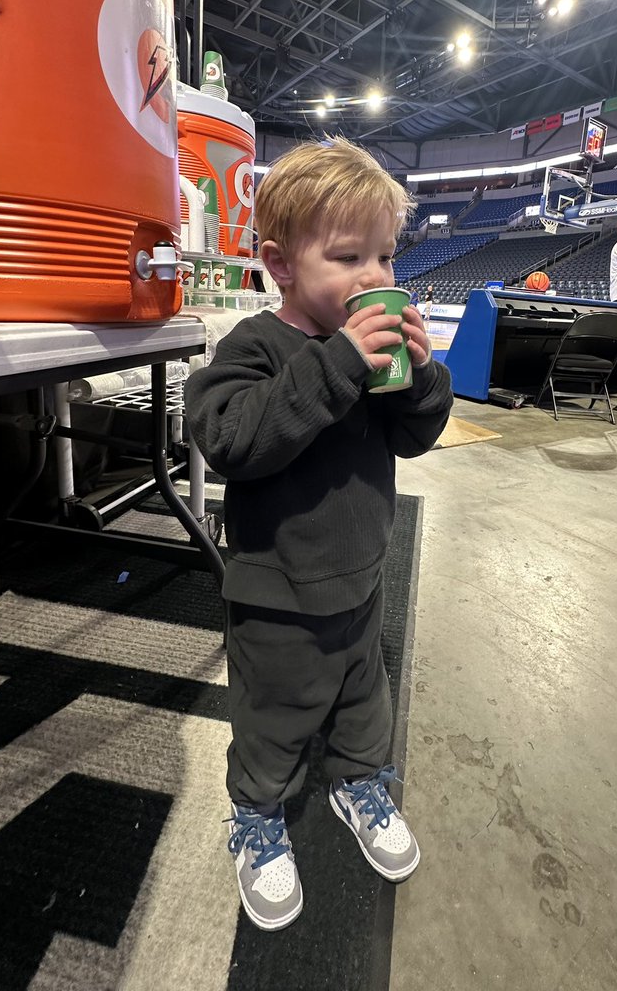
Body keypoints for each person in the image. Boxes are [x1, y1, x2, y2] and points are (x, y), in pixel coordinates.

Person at [184, 137, 453, 932]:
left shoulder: (371, 350)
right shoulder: (257, 349)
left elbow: (414, 439)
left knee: (363, 693)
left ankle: (358, 778)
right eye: (348, 256)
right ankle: (259, 812)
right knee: (275, 711)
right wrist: (336, 364)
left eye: (384, 256)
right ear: (281, 264)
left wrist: (420, 379)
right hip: (277, 592)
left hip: (362, 572)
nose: (375, 278)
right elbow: (229, 436)